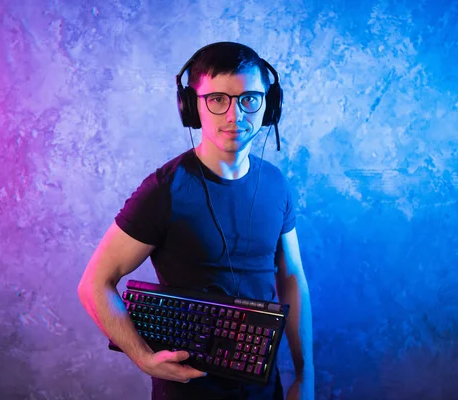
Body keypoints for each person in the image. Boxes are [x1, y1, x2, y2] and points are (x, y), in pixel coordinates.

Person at [78, 41, 314, 399]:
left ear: (269, 106)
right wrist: (143, 358)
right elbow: (94, 284)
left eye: (249, 99)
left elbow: (292, 277)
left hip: (264, 389)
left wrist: (304, 375)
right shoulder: (164, 190)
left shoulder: (276, 184)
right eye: (217, 100)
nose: (235, 115)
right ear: (192, 107)